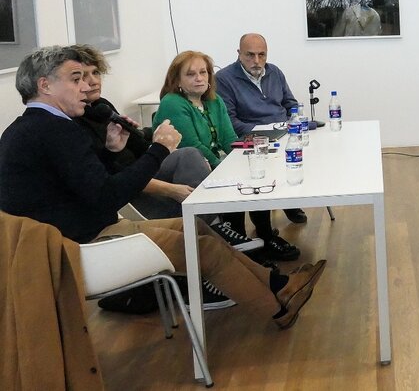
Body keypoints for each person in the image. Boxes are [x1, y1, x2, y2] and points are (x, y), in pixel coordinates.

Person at [0, 46, 325, 330]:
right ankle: (278, 308)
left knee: (195, 226)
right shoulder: (55, 131)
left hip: (78, 236)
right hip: (78, 250)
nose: (86, 86)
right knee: (205, 249)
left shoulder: (34, 128)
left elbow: (83, 184)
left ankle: (279, 284)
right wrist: (159, 150)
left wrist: (110, 152)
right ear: (45, 85)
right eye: (75, 79)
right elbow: (107, 196)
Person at [156, 50, 301, 261]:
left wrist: (247, 157)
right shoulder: (173, 102)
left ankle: (259, 238)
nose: (199, 78)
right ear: (177, 79)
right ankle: (242, 244)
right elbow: (193, 145)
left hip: (216, 163)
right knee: (239, 178)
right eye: (190, 74)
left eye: (203, 72)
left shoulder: (214, 101)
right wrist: (228, 166)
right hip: (190, 172)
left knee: (256, 170)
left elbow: (229, 139)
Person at [70, 44, 215, 222]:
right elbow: (112, 175)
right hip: (128, 188)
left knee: (190, 155)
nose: (93, 81)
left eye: (96, 73)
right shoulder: (74, 122)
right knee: (191, 158)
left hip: (141, 169)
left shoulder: (102, 105)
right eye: (84, 76)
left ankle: (205, 222)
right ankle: (202, 225)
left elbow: (141, 147)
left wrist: (147, 134)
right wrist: (171, 189)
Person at [215, 33, 311, 228]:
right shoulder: (224, 79)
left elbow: (290, 103)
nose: (257, 61)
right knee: (265, 167)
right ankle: (265, 228)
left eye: (262, 55)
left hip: (283, 132)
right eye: (250, 55)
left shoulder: (274, 72)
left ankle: (288, 200)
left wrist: (293, 122)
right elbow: (230, 121)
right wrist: (263, 132)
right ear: (239, 54)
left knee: (301, 155)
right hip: (251, 139)